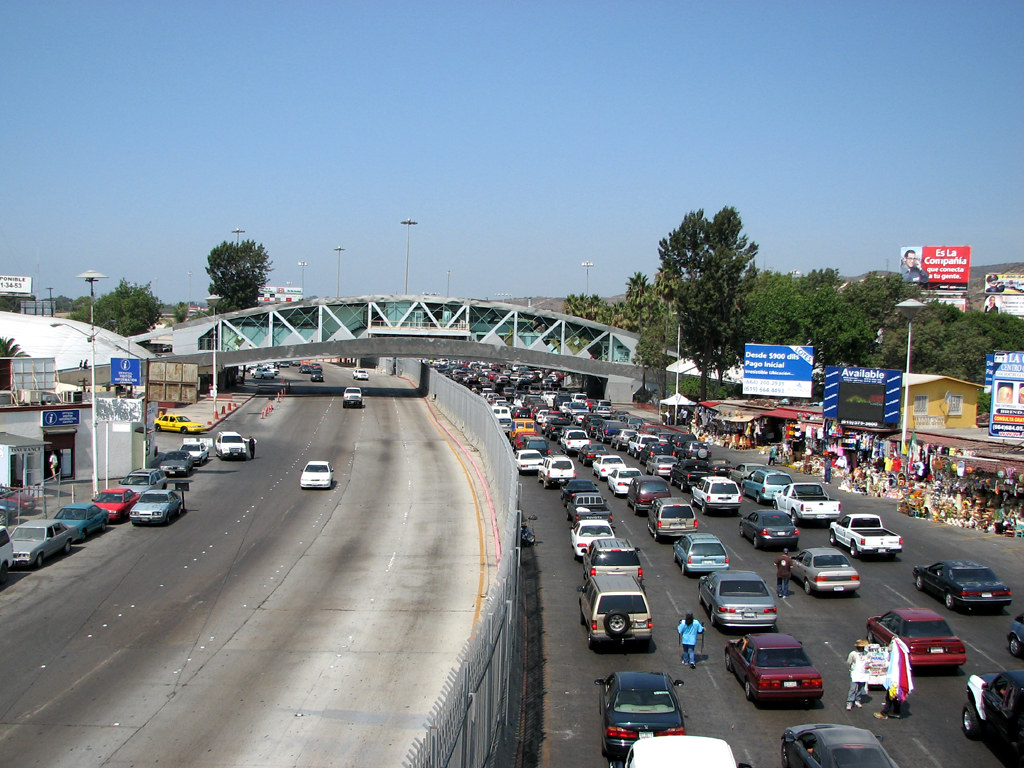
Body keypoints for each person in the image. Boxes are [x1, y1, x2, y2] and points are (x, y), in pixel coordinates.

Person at [846, 639, 870, 710]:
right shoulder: (853, 654)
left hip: (863, 673)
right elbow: (849, 662)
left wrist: (868, 666)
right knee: (853, 688)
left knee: (861, 688)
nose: (861, 648)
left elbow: (869, 662)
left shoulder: (867, 654)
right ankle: (850, 702)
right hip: (855, 673)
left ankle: (857, 700)